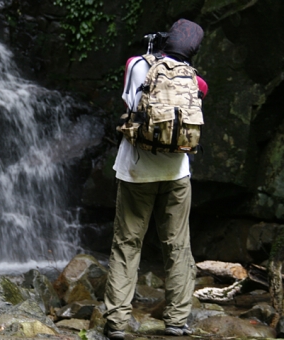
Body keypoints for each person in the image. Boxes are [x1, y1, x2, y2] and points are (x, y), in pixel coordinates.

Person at [103, 19, 208, 339]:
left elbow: (129, 101)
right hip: (177, 173)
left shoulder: (137, 65)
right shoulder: (198, 82)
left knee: (127, 245)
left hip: (136, 172)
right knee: (177, 245)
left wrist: (153, 51)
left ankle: (117, 322)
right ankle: (177, 320)